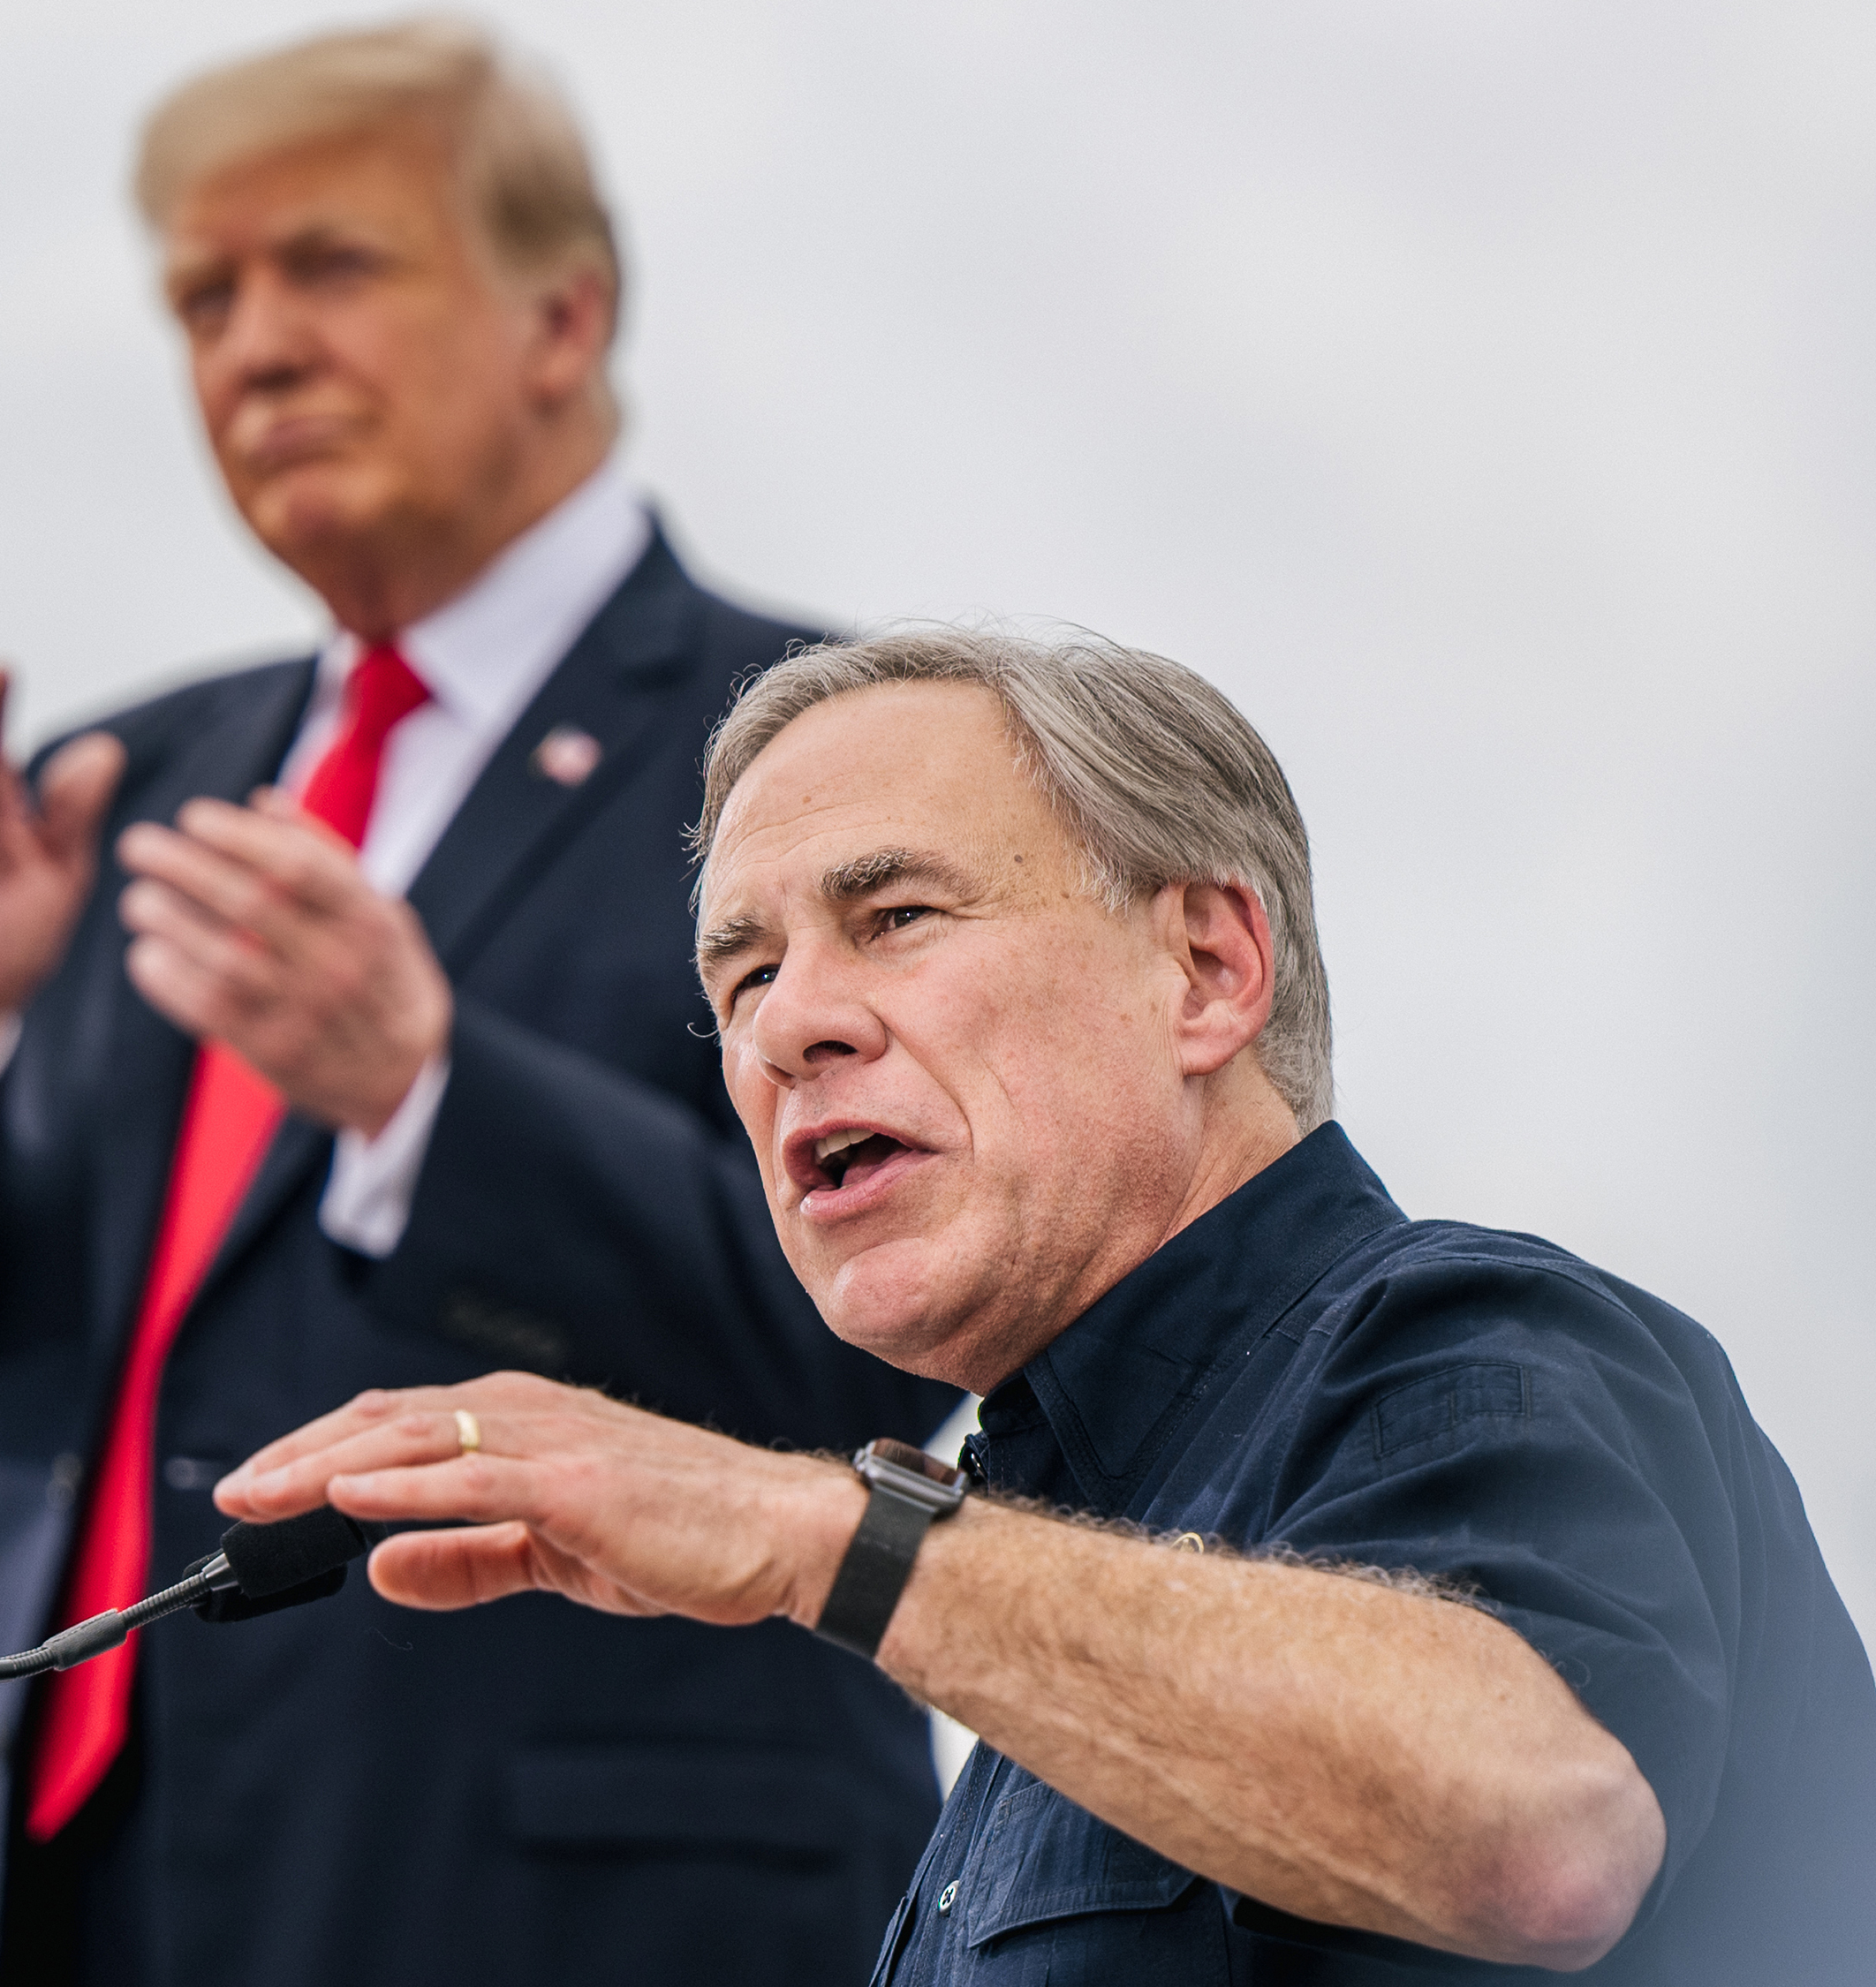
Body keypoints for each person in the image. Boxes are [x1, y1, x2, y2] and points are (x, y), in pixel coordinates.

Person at [0, 20, 957, 1987]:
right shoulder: (122, 792)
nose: (254, 347)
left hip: (578, 1906)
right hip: (65, 1898)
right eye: (206, 299)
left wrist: (428, 1097)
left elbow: (896, 1343)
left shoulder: (836, 755)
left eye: (332, 266)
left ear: (563, 315)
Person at [217, 626, 1876, 1983]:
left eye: (897, 916)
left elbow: (1541, 1827)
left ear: (1210, 970)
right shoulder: (1044, 1605)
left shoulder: (1474, 1345)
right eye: (743, 975)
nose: (792, 1023)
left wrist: (808, 1529)